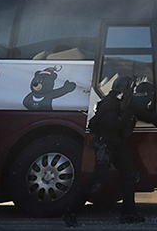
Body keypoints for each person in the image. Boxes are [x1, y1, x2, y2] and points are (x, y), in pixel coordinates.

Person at [62, 76, 145, 227]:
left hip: (117, 145)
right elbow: (114, 125)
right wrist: (128, 112)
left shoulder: (120, 103)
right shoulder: (108, 105)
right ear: (123, 90)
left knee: (131, 176)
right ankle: (70, 212)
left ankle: (129, 213)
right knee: (97, 183)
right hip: (105, 145)